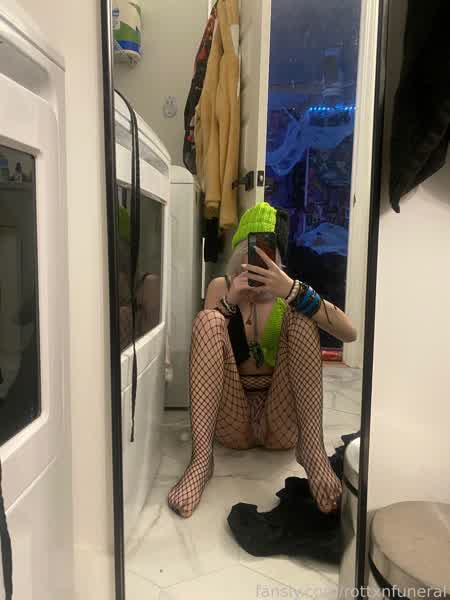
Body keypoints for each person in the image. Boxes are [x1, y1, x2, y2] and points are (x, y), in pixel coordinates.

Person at [168, 203, 357, 518]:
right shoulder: (222, 286)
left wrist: (292, 290)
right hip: (233, 419)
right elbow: (206, 341)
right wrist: (230, 302)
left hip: (280, 421)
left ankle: (312, 451)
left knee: (303, 317)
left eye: (266, 254)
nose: (256, 261)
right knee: (208, 319)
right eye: (249, 251)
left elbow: (350, 333)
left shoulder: (289, 293)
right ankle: (201, 461)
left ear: (278, 259)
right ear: (237, 254)